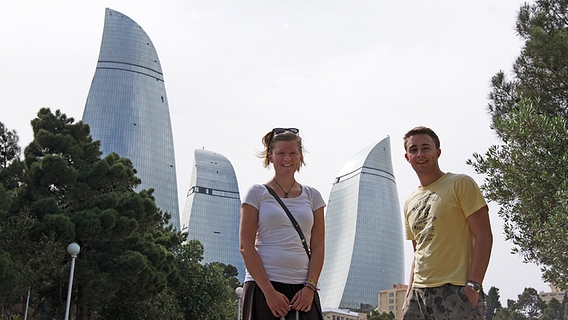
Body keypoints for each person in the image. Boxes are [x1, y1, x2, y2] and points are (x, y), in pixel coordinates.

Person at [401, 126, 493, 320]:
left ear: (438, 152)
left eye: (426, 148)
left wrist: (473, 286)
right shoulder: (410, 201)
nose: (420, 154)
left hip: (456, 290)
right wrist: (409, 294)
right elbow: (418, 252)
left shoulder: (460, 183)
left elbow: (484, 236)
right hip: (419, 294)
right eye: (413, 149)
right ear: (407, 157)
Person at [239, 128, 325, 320]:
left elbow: (318, 246)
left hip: (302, 290)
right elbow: (246, 246)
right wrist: (269, 293)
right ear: (270, 157)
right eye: (281, 153)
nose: (287, 158)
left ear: (300, 157)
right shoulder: (256, 193)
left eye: (293, 153)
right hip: (263, 286)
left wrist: (310, 288)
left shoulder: (313, 196)